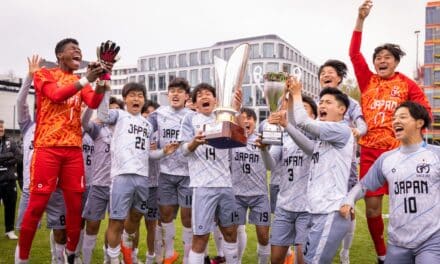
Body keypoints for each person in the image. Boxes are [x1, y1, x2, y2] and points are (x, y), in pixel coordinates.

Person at [350, 1, 431, 262]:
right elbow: (354, 54)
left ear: (396, 62)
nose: (381, 61)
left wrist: (417, 140)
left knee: (402, 207)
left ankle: (413, 247)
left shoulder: (407, 84)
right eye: (378, 58)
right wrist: (360, 19)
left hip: (400, 153)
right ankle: (382, 255)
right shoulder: (367, 80)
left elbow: (425, 111)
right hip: (371, 153)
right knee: (372, 211)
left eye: (387, 58)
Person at [16, 38, 109, 264]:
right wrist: (87, 78)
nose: (78, 51)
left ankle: (69, 254)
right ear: (60, 55)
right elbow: (57, 95)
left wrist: (104, 76)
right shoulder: (44, 74)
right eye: (72, 49)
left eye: (79, 49)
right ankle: (22, 259)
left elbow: (94, 102)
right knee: (37, 205)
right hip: (47, 147)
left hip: (73, 151)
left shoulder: (80, 81)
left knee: (75, 206)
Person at [340, 101, 440, 264]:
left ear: (419, 123)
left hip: (432, 241)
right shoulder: (386, 159)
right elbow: (363, 186)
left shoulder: (436, 155)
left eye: (402, 117)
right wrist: (349, 199)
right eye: (394, 118)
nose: (395, 121)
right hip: (397, 243)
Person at [97, 82, 178, 264]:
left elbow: (149, 153)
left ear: (143, 100)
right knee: (116, 221)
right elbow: (102, 114)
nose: (136, 98)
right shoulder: (119, 116)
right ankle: (114, 258)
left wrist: (164, 151)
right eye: (132, 95)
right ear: (125, 99)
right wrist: (106, 90)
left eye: (140, 95)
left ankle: (125, 243)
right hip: (122, 176)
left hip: (143, 179)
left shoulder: (147, 125)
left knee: (135, 217)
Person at [285, 77, 354, 263]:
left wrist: (298, 93)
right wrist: (291, 100)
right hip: (317, 211)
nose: (322, 105)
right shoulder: (323, 139)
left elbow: (303, 122)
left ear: (342, 110)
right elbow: (302, 136)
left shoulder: (341, 130)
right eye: (321, 102)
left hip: (330, 211)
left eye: (328, 102)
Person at [179, 83, 242, 264]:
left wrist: (236, 111)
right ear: (195, 103)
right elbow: (183, 150)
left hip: (225, 184)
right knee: (200, 236)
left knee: (231, 232)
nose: (204, 96)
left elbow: (240, 138)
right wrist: (195, 143)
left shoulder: (224, 116)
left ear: (215, 100)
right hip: (203, 186)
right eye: (199, 95)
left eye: (208, 94)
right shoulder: (190, 120)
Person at [318, 59, 367, 264]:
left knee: (348, 209)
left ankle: (345, 252)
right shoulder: (315, 101)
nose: (326, 75)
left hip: (345, 164)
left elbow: (362, 123)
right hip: (319, 162)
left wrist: (358, 131)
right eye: (322, 73)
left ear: (339, 78)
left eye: (330, 72)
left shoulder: (350, 103)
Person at [147, 78, 193, 264]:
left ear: (186, 96)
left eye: (179, 91)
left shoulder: (192, 115)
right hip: (165, 173)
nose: (175, 94)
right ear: (168, 95)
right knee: (165, 215)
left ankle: (189, 258)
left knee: (187, 217)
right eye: (172, 90)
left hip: (188, 174)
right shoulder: (158, 114)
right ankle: (168, 255)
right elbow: (143, 129)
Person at [267, 95, 317, 264]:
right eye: (294, 108)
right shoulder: (284, 137)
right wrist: (262, 150)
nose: (296, 112)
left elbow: (310, 149)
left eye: (303, 108)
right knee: (275, 260)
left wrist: (287, 126)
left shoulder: (317, 136)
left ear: (313, 116)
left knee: (304, 260)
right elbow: (270, 165)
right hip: (284, 206)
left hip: (308, 209)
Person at [80, 97, 123, 264]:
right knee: (92, 226)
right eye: (109, 110)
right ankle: (86, 260)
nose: (112, 114)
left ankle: (110, 258)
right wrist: (94, 100)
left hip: (118, 186)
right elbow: (84, 122)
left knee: (116, 226)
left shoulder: (124, 132)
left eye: (116, 110)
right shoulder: (98, 129)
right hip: (98, 185)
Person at [231, 107, 271, 264]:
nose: (246, 120)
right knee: (232, 234)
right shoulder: (232, 139)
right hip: (237, 195)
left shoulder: (263, 139)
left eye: (249, 118)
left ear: (255, 122)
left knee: (263, 235)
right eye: (242, 118)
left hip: (259, 195)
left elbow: (272, 164)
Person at [0, 119, 20, 240]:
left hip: (9, 179)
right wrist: (8, 157)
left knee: (11, 205)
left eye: (2, 127)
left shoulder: (11, 142)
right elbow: (12, 156)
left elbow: (18, 156)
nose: (1, 130)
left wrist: (4, 160)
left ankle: (9, 230)